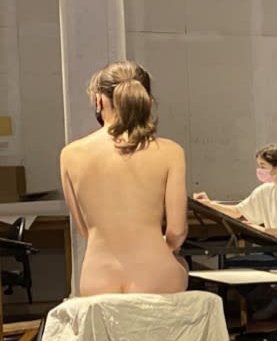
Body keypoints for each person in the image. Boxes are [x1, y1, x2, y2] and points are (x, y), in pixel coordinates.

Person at [60, 61, 188, 295]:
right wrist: (162, 250)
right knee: (181, 267)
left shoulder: (70, 155)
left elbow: (85, 231)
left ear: (98, 101)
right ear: (146, 100)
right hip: (156, 275)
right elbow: (177, 232)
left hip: (97, 278)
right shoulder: (171, 152)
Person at [194, 144, 277, 324]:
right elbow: (238, 211)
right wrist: (209, 204)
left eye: (263, 166)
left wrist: (265, 230)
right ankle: (273, 301)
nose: (259, 170)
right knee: (234, 266)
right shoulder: (264, 191)